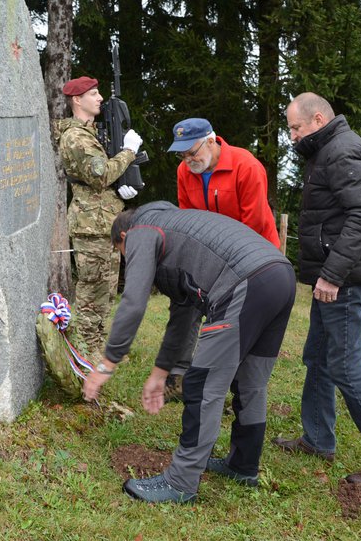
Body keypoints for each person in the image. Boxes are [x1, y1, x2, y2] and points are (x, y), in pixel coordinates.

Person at [82, 202, 296, 503]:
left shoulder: (141, 231)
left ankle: (180, 483)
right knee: (251, 383)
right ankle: (243, 465)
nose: (128, 260)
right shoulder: (178, 235)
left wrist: (106, 363)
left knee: (202, 385)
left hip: (244, 281)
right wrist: (160, 374)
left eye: (123, 253)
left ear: (123, 238)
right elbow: (183, 317)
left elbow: (133, 302)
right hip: (279, 276)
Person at [274, 92, 361, 488]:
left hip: (345, 280)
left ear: (318, 119)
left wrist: (333, 274)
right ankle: (318, 438)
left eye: (295, 128)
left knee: (345, 364)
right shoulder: (328, 150)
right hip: (334, 276)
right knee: (318, 356)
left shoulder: (342, 151)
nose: (291, 136)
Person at [163, 117, 281, 401]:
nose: (188, 160)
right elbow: (188, 219)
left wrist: (228, 273)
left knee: (234, 322)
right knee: (184, 302)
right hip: (207, 255)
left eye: (193, 152)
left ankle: (234, 388)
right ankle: (178, 377)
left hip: (253, 257)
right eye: (182, 154)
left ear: (212, 140)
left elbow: (253, 226)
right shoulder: (184, 171)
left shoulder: (246, 166)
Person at [53, 76, 143, 354]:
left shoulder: (92, 132)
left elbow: (105, 176)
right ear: (77, 100)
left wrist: (124, 186)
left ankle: (95, 348)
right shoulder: (76, 137)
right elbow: (101, 173)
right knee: (92, 293)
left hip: (106, 222)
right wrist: (129, 152)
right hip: (91, 226)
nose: (100, 98)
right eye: (93, 93)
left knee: (105, 292)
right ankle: (84, 352)